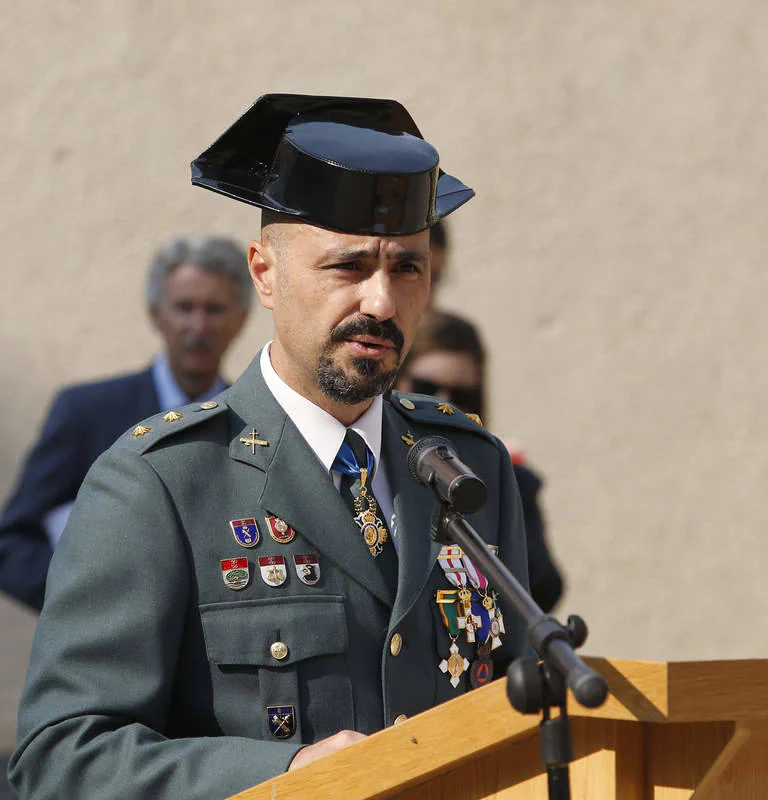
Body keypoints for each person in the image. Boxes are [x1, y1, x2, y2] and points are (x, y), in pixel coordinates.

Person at [9, 94, 529, 799]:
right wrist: (282, 776)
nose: (381, 301)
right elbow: (61, 761)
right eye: (348, 267)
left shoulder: (469, 466)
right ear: (265, 273)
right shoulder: (162, 482)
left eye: (407, 268)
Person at [0, 237, 251, 611]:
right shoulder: (87, 412)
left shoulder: (252, 423)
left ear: (241, 318)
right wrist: (89, 605)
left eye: (214, 309)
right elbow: (12, 546)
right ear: (156, 314)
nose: (198, 325)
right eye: (184, 307)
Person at [395, 309, 564, 612]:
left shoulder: (506, 476)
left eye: (461, 394)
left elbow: (544, 587)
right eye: (427, 389)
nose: (442, 405)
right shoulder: (369, 468)